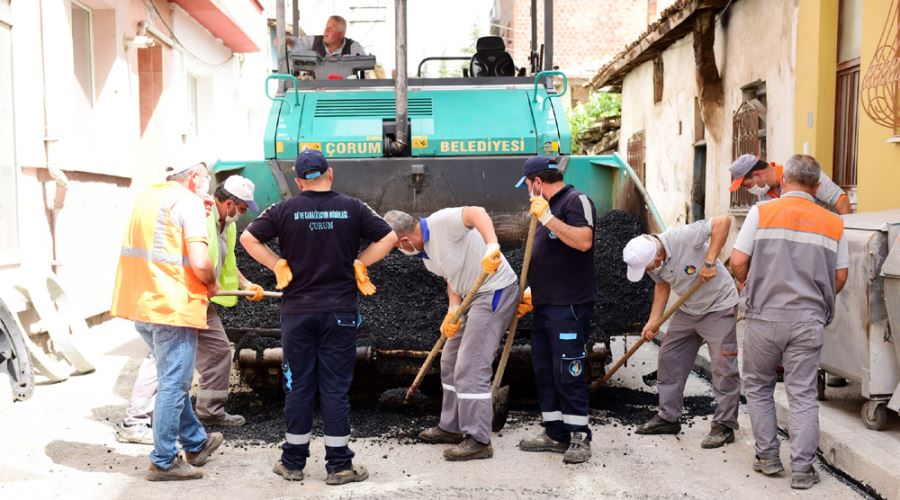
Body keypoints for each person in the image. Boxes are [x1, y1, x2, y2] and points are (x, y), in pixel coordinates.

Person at [240, 148, 397, 485]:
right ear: (331, 173)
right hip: (339, 312)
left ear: (297, 181)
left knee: (298, 386)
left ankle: (292, 462)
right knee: (335, 389)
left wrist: (276, 263)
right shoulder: (353, 207)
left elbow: (248, 237)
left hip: (297, 313)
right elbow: (390, 236)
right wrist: (362, 262)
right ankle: (339, 466)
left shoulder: (283, 209)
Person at [116, 175, 266, 445]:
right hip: (180, 296)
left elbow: (228, 263)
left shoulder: (227, 228)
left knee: (220, 350)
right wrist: (209, 282)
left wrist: (248, 285)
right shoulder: (202, 215)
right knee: (160, 360)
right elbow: (197, 259)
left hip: (202, 300)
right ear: (230, 202)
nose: (242, 215)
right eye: (242, 209)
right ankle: (135, 420)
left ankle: (210, 411)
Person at [730, 154, 849, 490]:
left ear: (786, 180)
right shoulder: (833, 223)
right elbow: (840, 276)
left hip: (764, 317)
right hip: (808, 320)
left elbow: (738, 260)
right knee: (802, 395)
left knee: (757, 386)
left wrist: (748, 285)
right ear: (815, 185)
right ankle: (802, 469)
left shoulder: (761, 212)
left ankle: (767, 458)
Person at [110, 158, 225, 481]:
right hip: (172, 305)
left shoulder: (147, 198)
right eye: (205, 177)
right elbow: (200, 262)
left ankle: (196, 443)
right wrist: (211, 282)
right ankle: (163, 461)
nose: (207, 183)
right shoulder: (186, 202)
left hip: (143, 304)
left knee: (170, 377)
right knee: (174, 384)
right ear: (195, 178)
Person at [383, 207, 519, 461]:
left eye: (395, 247)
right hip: (468, 297)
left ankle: (478, 439)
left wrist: (492, 246)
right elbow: (451, 276)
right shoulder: (426, 254)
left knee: (471, 365)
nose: (398, 252)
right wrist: (453, 307)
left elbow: (477, 213)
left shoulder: (442, 223)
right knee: (449, 360)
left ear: (404, 241)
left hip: (493, 290)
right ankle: (452, 426)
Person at [621, 215, 740, 448]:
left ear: (657, 256)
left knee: (723, 366)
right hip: (688, 309)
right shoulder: (652, 260)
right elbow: (662, 285)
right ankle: (668, 416)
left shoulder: (684, 236)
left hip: (719, 305)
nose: (647, 271)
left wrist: (710, 260)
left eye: (647, 267)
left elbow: (724, 222)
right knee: (669, 356)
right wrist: (653, 321)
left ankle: (724, 425)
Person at [512, 155, 596, 464]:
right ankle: (554, 431)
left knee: (568, 370)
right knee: (545, 369)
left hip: (569, 305)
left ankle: (579, 436)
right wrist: (533, 291)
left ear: (537, 182)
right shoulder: (542, 209)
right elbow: (550, 255)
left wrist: (548, 218)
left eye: (527, 186)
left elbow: (584, 241)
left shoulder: (576, 201)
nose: (527, 193)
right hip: (545, 304)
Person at [728, 153, 851, 215]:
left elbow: (841, 200)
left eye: (747, 185)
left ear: (758, 175)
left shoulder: (800, 170)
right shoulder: (764, 195)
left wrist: (843, 244)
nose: (748, 189)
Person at [287, 15, 366, 57]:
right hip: (317, 87)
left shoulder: (352, 46)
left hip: (344, 87)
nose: (326, 30)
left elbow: (363, 61)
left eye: (331, 28)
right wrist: (286, 40)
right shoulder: (315, 41)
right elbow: (296, 42)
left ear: (341, 34)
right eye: (326, 26)